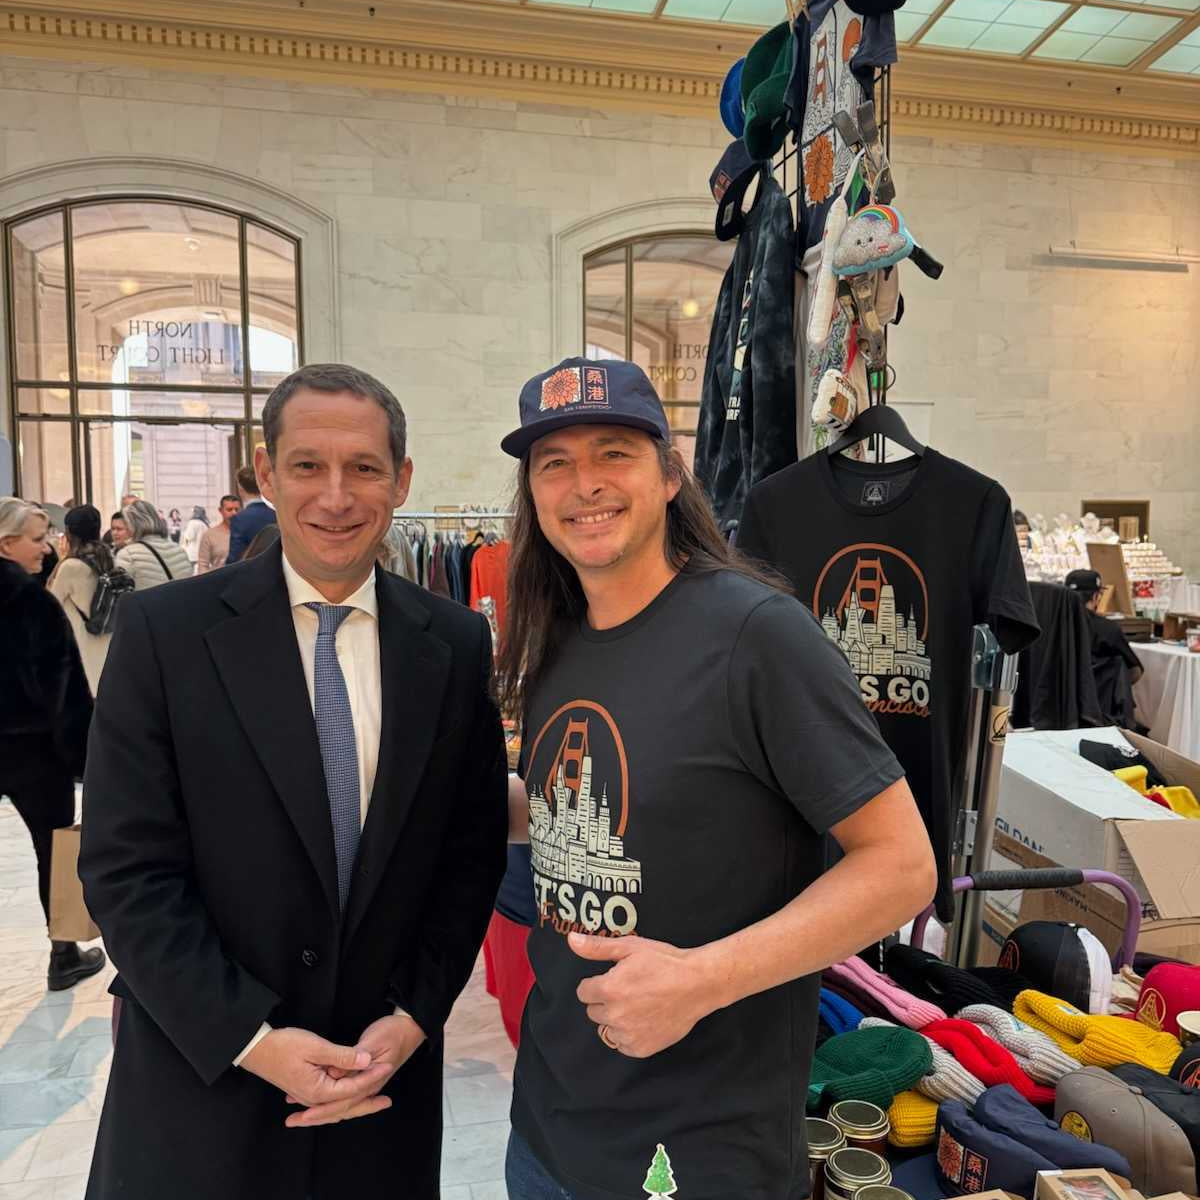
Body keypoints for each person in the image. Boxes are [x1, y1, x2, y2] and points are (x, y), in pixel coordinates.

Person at [494, 359, 938, 1200]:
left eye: (613, 452)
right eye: (554, 463)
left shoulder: (758, 635)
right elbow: (594, 813)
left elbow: (902, 866)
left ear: (669, 473)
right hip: (549, 1124)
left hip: (695, 1153)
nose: (583, 483)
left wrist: (703, 979)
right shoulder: (557, 636)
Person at [80, 362, 508, 1199]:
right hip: (205, 1085)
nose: (337, 496)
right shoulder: (167, 634)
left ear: (402, 479)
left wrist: (418, 1014)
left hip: (378, 1087)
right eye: (308, 466)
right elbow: (125, 873)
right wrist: (254, 1040)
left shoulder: (453, 646)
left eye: (365, 468)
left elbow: (467, 852)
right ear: (268, 476)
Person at [0, 497, 106, 991]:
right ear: (7, 543)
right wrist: (83, 758)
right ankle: (63, 952)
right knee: (57, 848)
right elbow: (60, 689)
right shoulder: (28, 600)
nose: (47, 550)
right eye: (38, 539)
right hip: (32, 751)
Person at [48, 504, 115, 696]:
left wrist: (60, 559)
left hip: (82, 641)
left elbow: (52, 602)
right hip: (105, 635)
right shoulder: (108, 558)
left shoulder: (71, 566)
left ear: (69, 533)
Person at [1065, 568, 1144, 727]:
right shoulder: (1108, 629)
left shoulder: (1052, 627)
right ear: (1096, 596)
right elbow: (1135, 671)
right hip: (1100, 714)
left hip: (1057, 708)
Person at [115, 499, 192, 589]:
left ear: (132, 526)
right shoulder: (180, 551)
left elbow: (121, 595)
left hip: (147, 603)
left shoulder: (128, 555)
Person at [227, 464, 276, 564]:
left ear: (240, 488)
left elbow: (235, 556)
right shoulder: (275, 514)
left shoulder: (239, 519)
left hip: (249, 573)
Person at [197, 494, 242, 573]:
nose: (234, 513)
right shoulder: (209, 535)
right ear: (220, 510)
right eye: (229, 509)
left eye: (237, 509)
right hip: (218, 582)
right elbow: (203, 565)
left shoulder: (246, 532)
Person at [180, 506, 210, 572]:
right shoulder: (205, 524)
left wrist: (183, 546)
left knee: (191, 573)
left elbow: (189, 537)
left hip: (192, 553)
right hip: (202, 553)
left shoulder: (192, 523)